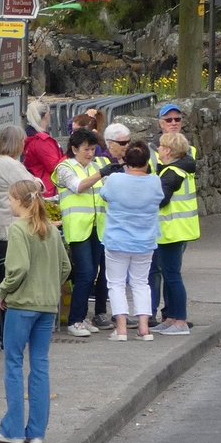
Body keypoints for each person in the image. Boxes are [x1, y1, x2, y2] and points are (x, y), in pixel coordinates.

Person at [0, 181, 71, 443]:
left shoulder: (18, 229)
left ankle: (13, 429)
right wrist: (49, 286)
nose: (9, 203)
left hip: (23, 304)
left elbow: (18, 268)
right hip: (47, 306)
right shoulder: (51, 230)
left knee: (13, 363)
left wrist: (4, 291)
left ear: (19, 201)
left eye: (10, 198)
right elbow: (65, 267)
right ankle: (36, 431)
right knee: (40, 365)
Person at [99, 141, 164, 342]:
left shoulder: (115, 180)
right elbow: (160, 199)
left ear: (126, 160)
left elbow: (104, 195)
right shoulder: (155, 181)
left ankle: (121, 329)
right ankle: (144, 328)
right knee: (141, 283)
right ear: (147, 161)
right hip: (145, 240)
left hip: (117, 239)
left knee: (116, 283)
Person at [54, 129, 109, 338]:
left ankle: (82, 316)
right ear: (74, 149)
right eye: (86, 149)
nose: (90, 153)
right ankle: (75, 320)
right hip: (77, 228)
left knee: (92, 273)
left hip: (97, 226)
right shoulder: (64, 168)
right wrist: (101, 174)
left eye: (93, 149)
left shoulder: (96, 166)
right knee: (85, 272)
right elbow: (78, 187)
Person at [153, 132, 199, 335]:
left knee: (172, 276)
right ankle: (172, 318)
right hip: (178, 229)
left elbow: (161, 199)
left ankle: (180, 321)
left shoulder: (172, 172)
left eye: (161, 147)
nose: (158, 150)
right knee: (170, 275)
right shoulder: (180, 169)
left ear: (169, 151)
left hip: (172, 230)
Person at [0, 125, 37, 286]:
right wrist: (39, 183)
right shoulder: (9, 164)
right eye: (22, 141)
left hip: (3, 217)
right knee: (17, 261)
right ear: (16, 142)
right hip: (10, 219)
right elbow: (31, 186)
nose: (24, 145)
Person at [23, 99, 63, 196]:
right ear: (46, 115)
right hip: (49, 189)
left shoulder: (31, 138)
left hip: (42, 187)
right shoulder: (41, 142)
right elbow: (55, 168)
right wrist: (70, 156)